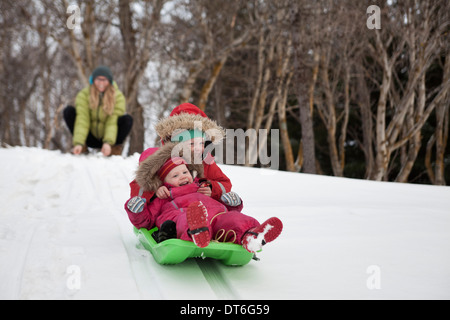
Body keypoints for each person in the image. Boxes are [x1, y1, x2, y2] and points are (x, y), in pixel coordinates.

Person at [124, 142, 283, 253]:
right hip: (183, 217)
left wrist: (232, 204)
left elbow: (222, 202)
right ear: (163, 181)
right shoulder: (163, 196)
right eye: (175, 175)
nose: (183, 176)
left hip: (216, 216)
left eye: (185, 172)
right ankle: (197, 231)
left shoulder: (201, 186)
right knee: (184, 219)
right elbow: (147, 220)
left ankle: (251, 234)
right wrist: (137, 211)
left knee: (232, 218)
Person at [128, 103, 233, 204]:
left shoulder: (206, 162)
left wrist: (211, 188)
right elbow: (140, 184)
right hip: (169, 211)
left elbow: (225, 183)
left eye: (201, 143)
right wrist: (156, 189)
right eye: (191, 144)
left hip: (199, 207)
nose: (197, 148)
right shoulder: (164, 161)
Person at [63, 65, 133, 156]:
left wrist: (108, 142)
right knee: (69, 111)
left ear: (109, 81)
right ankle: (82, 147)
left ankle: (114, 149)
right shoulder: (84, 95)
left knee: (127, 119)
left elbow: (112, 121)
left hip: (109, 138)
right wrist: (79, 142)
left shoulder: (118, 97)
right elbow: (82, 119)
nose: (101, 82)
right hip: (89, 137)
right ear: (93, 80)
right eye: (98, 79)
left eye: (104, 80)